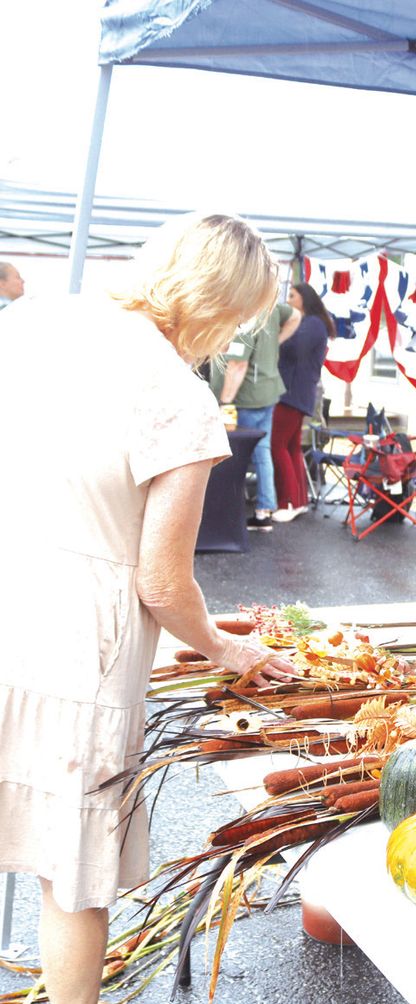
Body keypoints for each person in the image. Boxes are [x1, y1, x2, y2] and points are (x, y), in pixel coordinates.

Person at [0, 212, 298, 1004]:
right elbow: (161, 585)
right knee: (74, 875)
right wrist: (224, 649)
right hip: (80, 651)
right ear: (220, 305)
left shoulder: (32, 321)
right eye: (238, 318)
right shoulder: (178, 396)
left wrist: (203, 630)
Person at [210, 296, 301, 530]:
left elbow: (237, 366)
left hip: (248, 398)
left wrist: (224, 402)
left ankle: (228, 513)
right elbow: (295, 315)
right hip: (268, 392)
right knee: (262, 453)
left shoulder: (245, 322)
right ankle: (263, 511)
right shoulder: (268, 305)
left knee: (234, 456)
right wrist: (276, 343)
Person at [271, 281, 332, 522]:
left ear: (304, 299)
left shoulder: (313, 324)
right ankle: (299, 500)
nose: (288, 300)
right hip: (297, 392)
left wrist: (281, 333)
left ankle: (288, 501)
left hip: (292, 392)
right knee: (292, 447)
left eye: (293, 296)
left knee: (277, 445)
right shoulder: (314, 324)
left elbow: (295, 348)